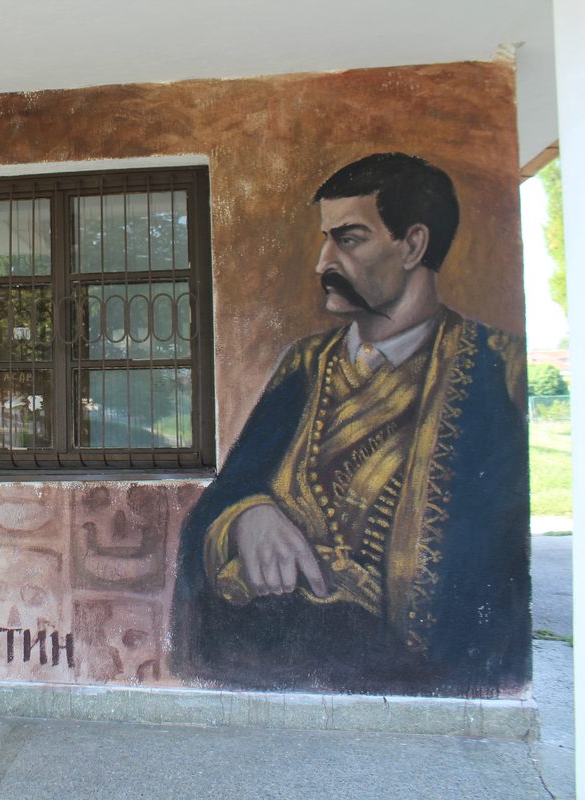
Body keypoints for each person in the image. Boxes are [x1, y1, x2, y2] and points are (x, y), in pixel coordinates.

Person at [170, 153, 530, 696]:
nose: (322, 263)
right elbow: (227, 495)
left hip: (422, 690)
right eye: (325, 239)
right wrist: (248, 514)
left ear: (412, 245)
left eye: (350, 239)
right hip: (267, 673)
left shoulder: (497, 371)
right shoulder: (303, 365)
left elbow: (492, 572)